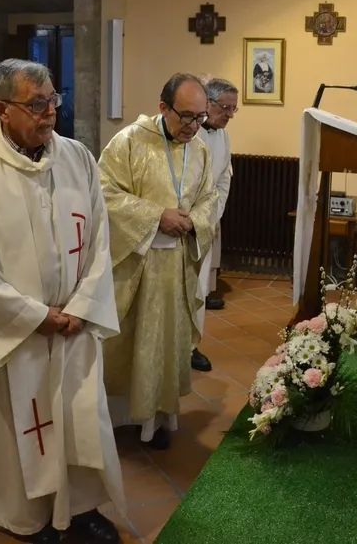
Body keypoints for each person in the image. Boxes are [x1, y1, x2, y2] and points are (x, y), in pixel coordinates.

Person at [0, 59, 124, 544]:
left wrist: (82, 305)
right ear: (2, 109)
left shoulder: (77, 158)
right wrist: (37, 316)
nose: (50, 113)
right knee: (22, 427)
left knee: (79, 419)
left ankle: (81, 507)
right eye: (37, 104)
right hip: (20, 336)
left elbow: (101, 239)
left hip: (73, 325)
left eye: (53, 100)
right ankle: (27, 517)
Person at [99, 72, 219, 450]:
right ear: (163, 107)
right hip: (137, 265)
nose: (193, 126)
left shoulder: (199, 150)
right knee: (131, 342)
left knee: (165, 343)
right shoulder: (129, 142)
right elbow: (103, 192)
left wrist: (193, 221)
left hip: (177, 266)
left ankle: (157, 419)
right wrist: (156, 216)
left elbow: (209, 198)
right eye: (186, 116)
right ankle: (117, 420)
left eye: (200, 117)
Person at [189, 75, 237, 373]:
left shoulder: (223, 137)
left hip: (205, 224)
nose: (229, 115)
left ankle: (191, 344)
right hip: (182, 225)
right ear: (207, 103)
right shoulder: (189, 134)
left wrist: (212, 217)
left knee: (199, 289)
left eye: (234, 109)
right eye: (225, 107)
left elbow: (223, 180)